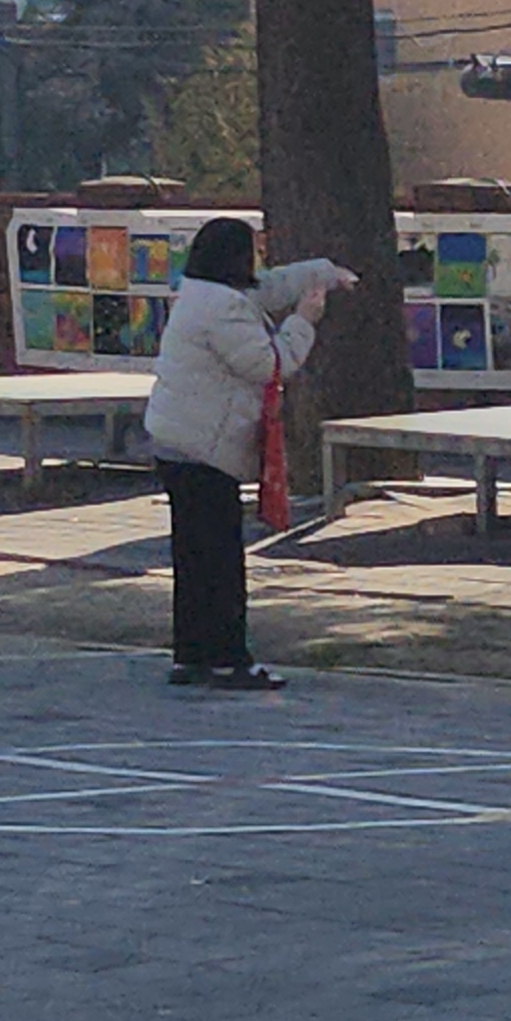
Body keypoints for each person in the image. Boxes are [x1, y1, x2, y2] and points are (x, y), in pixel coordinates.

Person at [143, 217, 336, 689]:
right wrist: (303, 322)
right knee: (221, 560)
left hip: (177, 440)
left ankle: (191, 655)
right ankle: (229, 658)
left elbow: (268, 287)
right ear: (235, 256)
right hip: (203, 448)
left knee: (193, 558)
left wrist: (324, 272)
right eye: (253, 249)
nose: (260, 258)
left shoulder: (205, 291)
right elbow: (270, 364)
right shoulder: (223, 309)